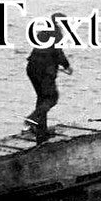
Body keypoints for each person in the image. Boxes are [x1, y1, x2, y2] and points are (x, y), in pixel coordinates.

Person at [25, 12, 73, 143]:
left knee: (42, 98)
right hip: (44, 72)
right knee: (52, 98)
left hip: (31, 68)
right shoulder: (57, 34)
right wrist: (67, 66)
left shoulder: (43, 31)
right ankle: (34, 118)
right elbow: (58, 52)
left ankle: (41, 132)